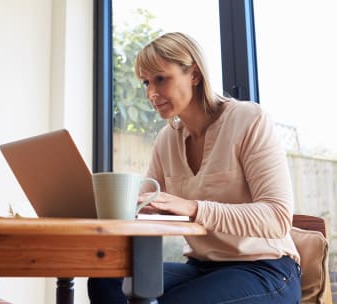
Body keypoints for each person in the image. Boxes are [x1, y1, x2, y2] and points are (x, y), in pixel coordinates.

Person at [87, 32, 301, 304]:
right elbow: (142, 205)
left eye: (161, 78)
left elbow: (277, 216)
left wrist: (194, 208)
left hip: (265, 267)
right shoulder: (167, 139)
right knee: (107, 280)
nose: (151, 93)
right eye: (146, 82)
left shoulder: (249, 120)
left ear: (195, 75)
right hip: (200, 267)